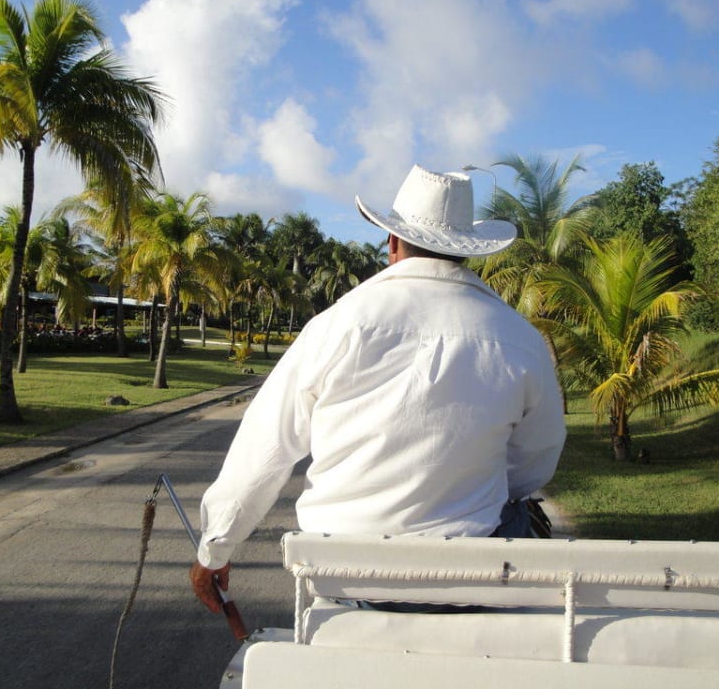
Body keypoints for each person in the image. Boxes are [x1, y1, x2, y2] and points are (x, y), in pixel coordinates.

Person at [190, 164, 566, 614]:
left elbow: (264, 450)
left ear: (392, 242)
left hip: (343, 574)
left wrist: (215, 550)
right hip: (465, 577)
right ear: (468, 251)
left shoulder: (334, 325)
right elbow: (534, 463)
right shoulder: (518, 337)